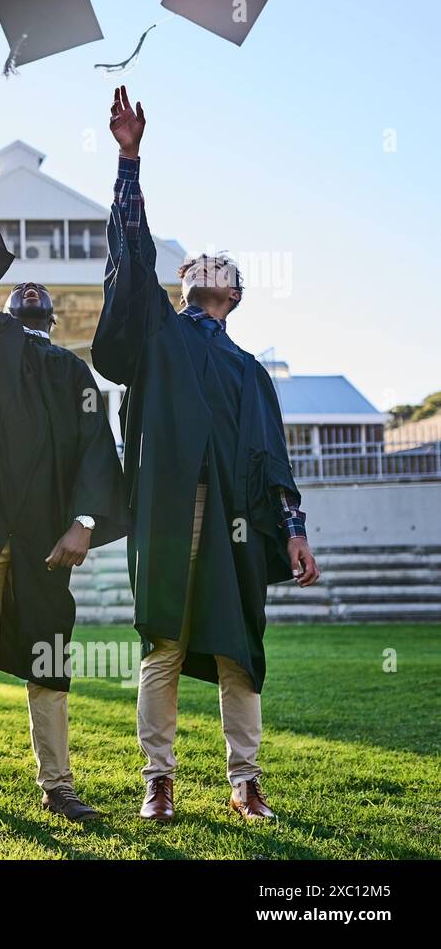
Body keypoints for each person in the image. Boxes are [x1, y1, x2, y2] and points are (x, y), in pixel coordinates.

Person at [91, 87, 321, 822]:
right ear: (185, 282)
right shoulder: (160, 336)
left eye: (222, 263)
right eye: (199, 261)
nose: (208, 265)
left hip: (236, 518)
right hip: (166, 508)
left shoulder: (252, 373)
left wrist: (294, 528)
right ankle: (158, 779)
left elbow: (277, 459)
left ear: (235, 292)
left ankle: (245, 780)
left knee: (236, 650)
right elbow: (130, 247)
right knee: (162, 642)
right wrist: (130, 159)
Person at [0, 109, 127, 822]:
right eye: (21, 296)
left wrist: (83, 521)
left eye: (39, 302)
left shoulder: (70, 372)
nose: (32, 297)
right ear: (4, 308)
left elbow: (94, 452)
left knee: (48, 659)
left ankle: (57, 784)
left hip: (47, 533)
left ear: (52, 319)